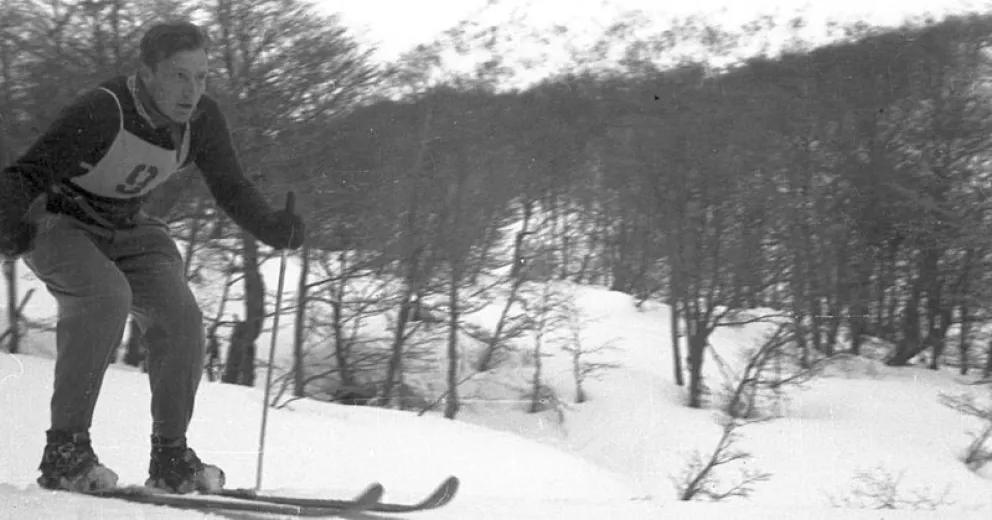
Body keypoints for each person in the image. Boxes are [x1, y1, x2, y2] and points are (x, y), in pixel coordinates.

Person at [0, 20, 304, 493]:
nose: (191, 91)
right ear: (146, 72)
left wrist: (271, 226)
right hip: (60, 222)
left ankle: (171, 457)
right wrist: (8, 220)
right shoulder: (103, 110)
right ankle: (66, 450)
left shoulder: (201, 120)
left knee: (181, 316)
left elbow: (229, 185)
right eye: (179, 76)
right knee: (106, 297)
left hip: (128, 226)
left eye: (202, 77)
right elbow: (24, 174)